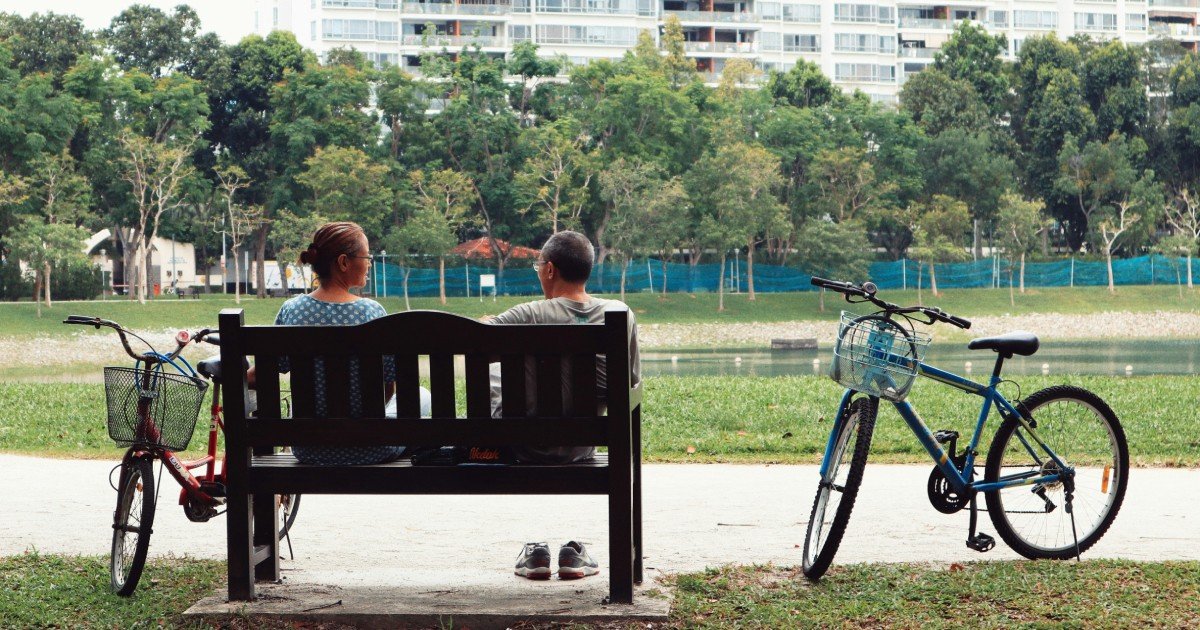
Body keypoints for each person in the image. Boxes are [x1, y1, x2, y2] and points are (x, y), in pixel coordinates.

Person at [485, 230, 641, 580]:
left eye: (538, 266)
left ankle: (532, 559)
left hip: (521, 445)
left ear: (550, 270)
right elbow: (631, 386)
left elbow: (473, 344)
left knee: (498, 376)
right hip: (581, 446)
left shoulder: (526, 314)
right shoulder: (620, 314)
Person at [247, 221, 430, 465]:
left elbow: (261, 376)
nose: (369, 263)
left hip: (309, 448)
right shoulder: (372, 312)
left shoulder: (293, 311)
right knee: (422, 395)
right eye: (366, 256)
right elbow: (388, 390)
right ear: (344, 262)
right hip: (373, 447)